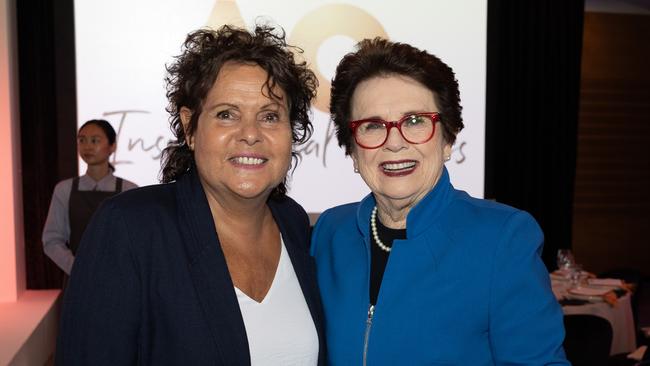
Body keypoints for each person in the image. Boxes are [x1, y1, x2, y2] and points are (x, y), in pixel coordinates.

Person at [56, 24, 325, 365]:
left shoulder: (294, 222)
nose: (250, 134)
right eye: (226, 114)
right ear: (190, 127)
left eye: (270, 116)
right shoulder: (129, 227)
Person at [310, 38, 569, 365]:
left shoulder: (502, 238)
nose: (394, 143)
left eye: (415, 121)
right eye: (373, 125)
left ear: (448, 139)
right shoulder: (331, 233)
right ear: (353, 150)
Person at [42, 119, 137, 276]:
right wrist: (78, 269)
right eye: (82, 140)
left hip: (118, 280)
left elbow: (136, 241)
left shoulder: (128, 190)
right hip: (77, 279)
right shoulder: (64, 190)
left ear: (112, 146)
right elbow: (52, 240)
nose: (87, 146)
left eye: (95, 140)